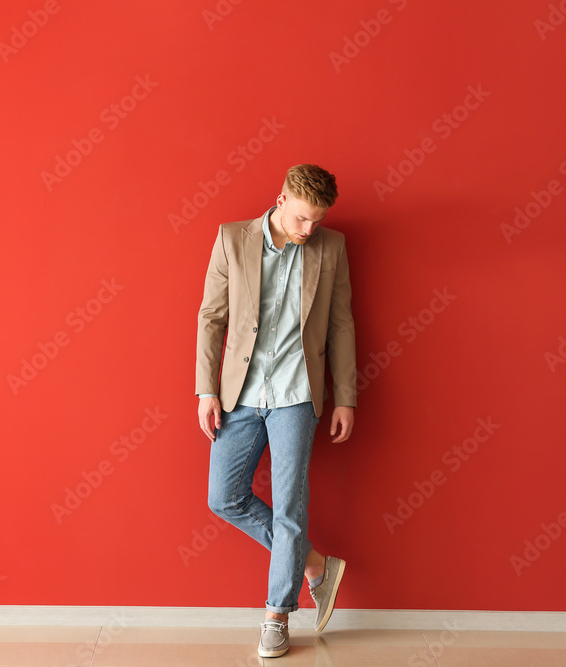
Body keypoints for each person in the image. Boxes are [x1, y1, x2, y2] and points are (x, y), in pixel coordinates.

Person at [195, 164, 357, 658]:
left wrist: (345, 395)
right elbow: (211, 316)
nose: (310, 230)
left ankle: (276, 615)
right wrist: (206, 391)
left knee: (290, 507)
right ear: (281, 199)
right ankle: (314, 565)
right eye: (303, 218)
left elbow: (340, 323)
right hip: (239, 393)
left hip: (297, 394)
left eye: (318, 220)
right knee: (223, 497)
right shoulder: (232, 239)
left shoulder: (331, 247)